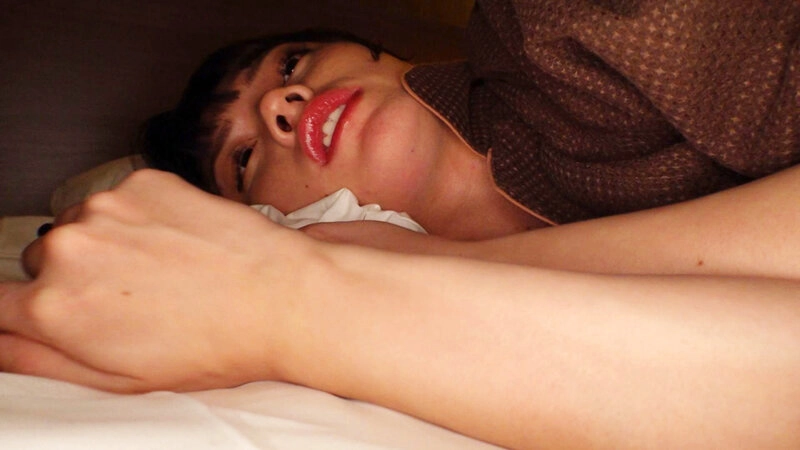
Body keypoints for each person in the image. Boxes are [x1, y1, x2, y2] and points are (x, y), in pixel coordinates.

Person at [1, 1, 798, 448]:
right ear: (263, 219)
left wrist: (298, 294)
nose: (281, 105)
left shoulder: (564, 26)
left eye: (291, 65)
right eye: (242, 160)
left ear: (380, 55)